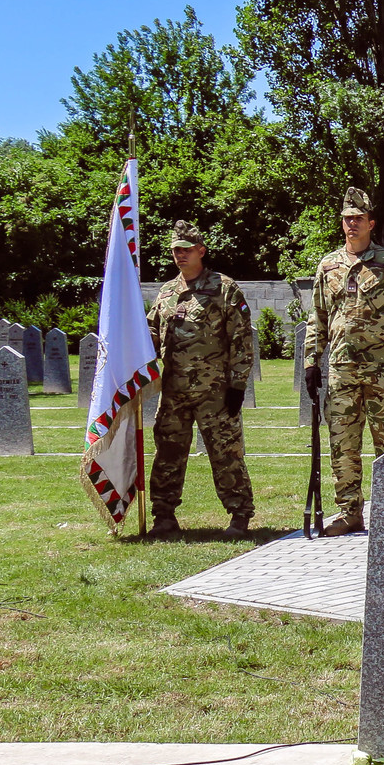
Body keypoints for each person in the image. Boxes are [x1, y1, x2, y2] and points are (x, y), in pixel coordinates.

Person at [306, 187, 384, 536]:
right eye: (347, 219)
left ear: (371, 223)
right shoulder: (328, 265)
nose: (352, 224)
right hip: (341, 369)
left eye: (358, 218)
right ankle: (349, 512)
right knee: (343, 444)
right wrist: (311, 361)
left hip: (382, 370)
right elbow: (318, 316)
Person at [145, 220, 255, 536]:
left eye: (186, 250)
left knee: (225, 454)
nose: (180, 255)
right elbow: (152, 332)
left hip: (215, 392)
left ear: (201, 251)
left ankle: (239, 515)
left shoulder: (224, 288)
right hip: (174, 392)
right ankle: (163, 516)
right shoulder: (167, 292)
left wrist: (237, 385)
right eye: (175, 250)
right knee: (168, 455)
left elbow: (241, 339)